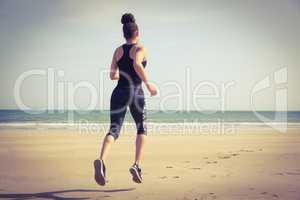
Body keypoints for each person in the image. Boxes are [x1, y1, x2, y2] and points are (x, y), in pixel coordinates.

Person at [94, 13, 157, 186]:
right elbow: (137, 64)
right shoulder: (140, 49)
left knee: (114, 130)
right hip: (135, 92)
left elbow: (112, 75)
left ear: (124, 34)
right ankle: (136, 165)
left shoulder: (117, 51)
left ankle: (101, 160)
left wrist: (124, 74)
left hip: (118, 92)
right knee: (142, 128)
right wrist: (149, 84)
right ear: (137, 32)